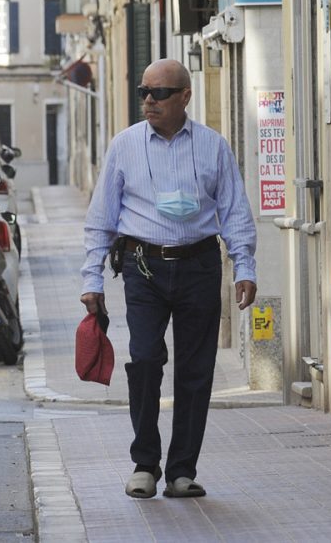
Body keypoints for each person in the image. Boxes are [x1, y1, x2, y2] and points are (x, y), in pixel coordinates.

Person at [80, 58, 257, 500]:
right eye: (144, 91)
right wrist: (92, 278)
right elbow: (101, 217)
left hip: (199, 265)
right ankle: (144, 463)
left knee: (196, 371)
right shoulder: (124, 146)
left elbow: (234, 210)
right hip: (143, 265)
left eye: (158, 93)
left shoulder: (214, 146)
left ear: (184, 97)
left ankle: (181, 470)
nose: (148, 101)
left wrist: (245, 267)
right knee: (144, 360)